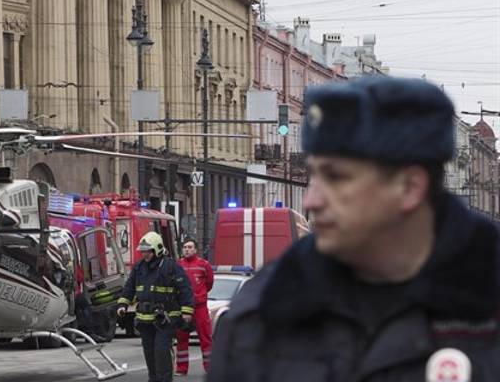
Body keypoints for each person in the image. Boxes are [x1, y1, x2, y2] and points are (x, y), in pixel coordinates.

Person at [208, 77, 500, 381]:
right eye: (314, 175)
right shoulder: (265, 310)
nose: (312, 199)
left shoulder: (487, 305)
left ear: (410, 187)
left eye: (336, 177)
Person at [116, 231, 194, 382]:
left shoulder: (170, 266)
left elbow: (185, 289)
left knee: (161, 351)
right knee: (149, 353)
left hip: (165, 318)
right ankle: (153, 379)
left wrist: (187, 311)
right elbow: (129, 287)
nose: (144, 254)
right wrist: (123, 304)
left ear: (156, 249)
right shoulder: (139, 267)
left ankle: (164, 380)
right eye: (143, 251)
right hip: (145, 320)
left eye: (147, 251)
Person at [174, 238, 214, 375]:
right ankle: (181, 369)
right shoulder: (178, 265)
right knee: (181, 339)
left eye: (190, 247)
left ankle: (210, 370)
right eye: (185, 247)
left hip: (200, 307)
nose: (187, 249)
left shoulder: (204, 265)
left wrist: (199, 297)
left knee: (205, 339)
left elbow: (209, 284)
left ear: (196, 249)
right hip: (183, 307)